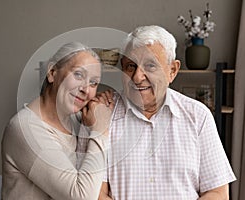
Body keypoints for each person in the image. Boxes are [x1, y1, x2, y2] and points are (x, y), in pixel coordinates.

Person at [99, 25, 236, 199]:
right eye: (130, 66)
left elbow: (217, 193)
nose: (137, 77)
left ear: (172, 71)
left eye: (150, 65)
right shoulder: (102, 115)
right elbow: (95, 193)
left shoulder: (198, 116)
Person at [1, 42, 114, 200]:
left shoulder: (79, 121)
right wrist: (100, 131)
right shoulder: (25, 128)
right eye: (78, 75)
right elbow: (82, 197)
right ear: (52, 72)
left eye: (94, 82)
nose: (86, 90)